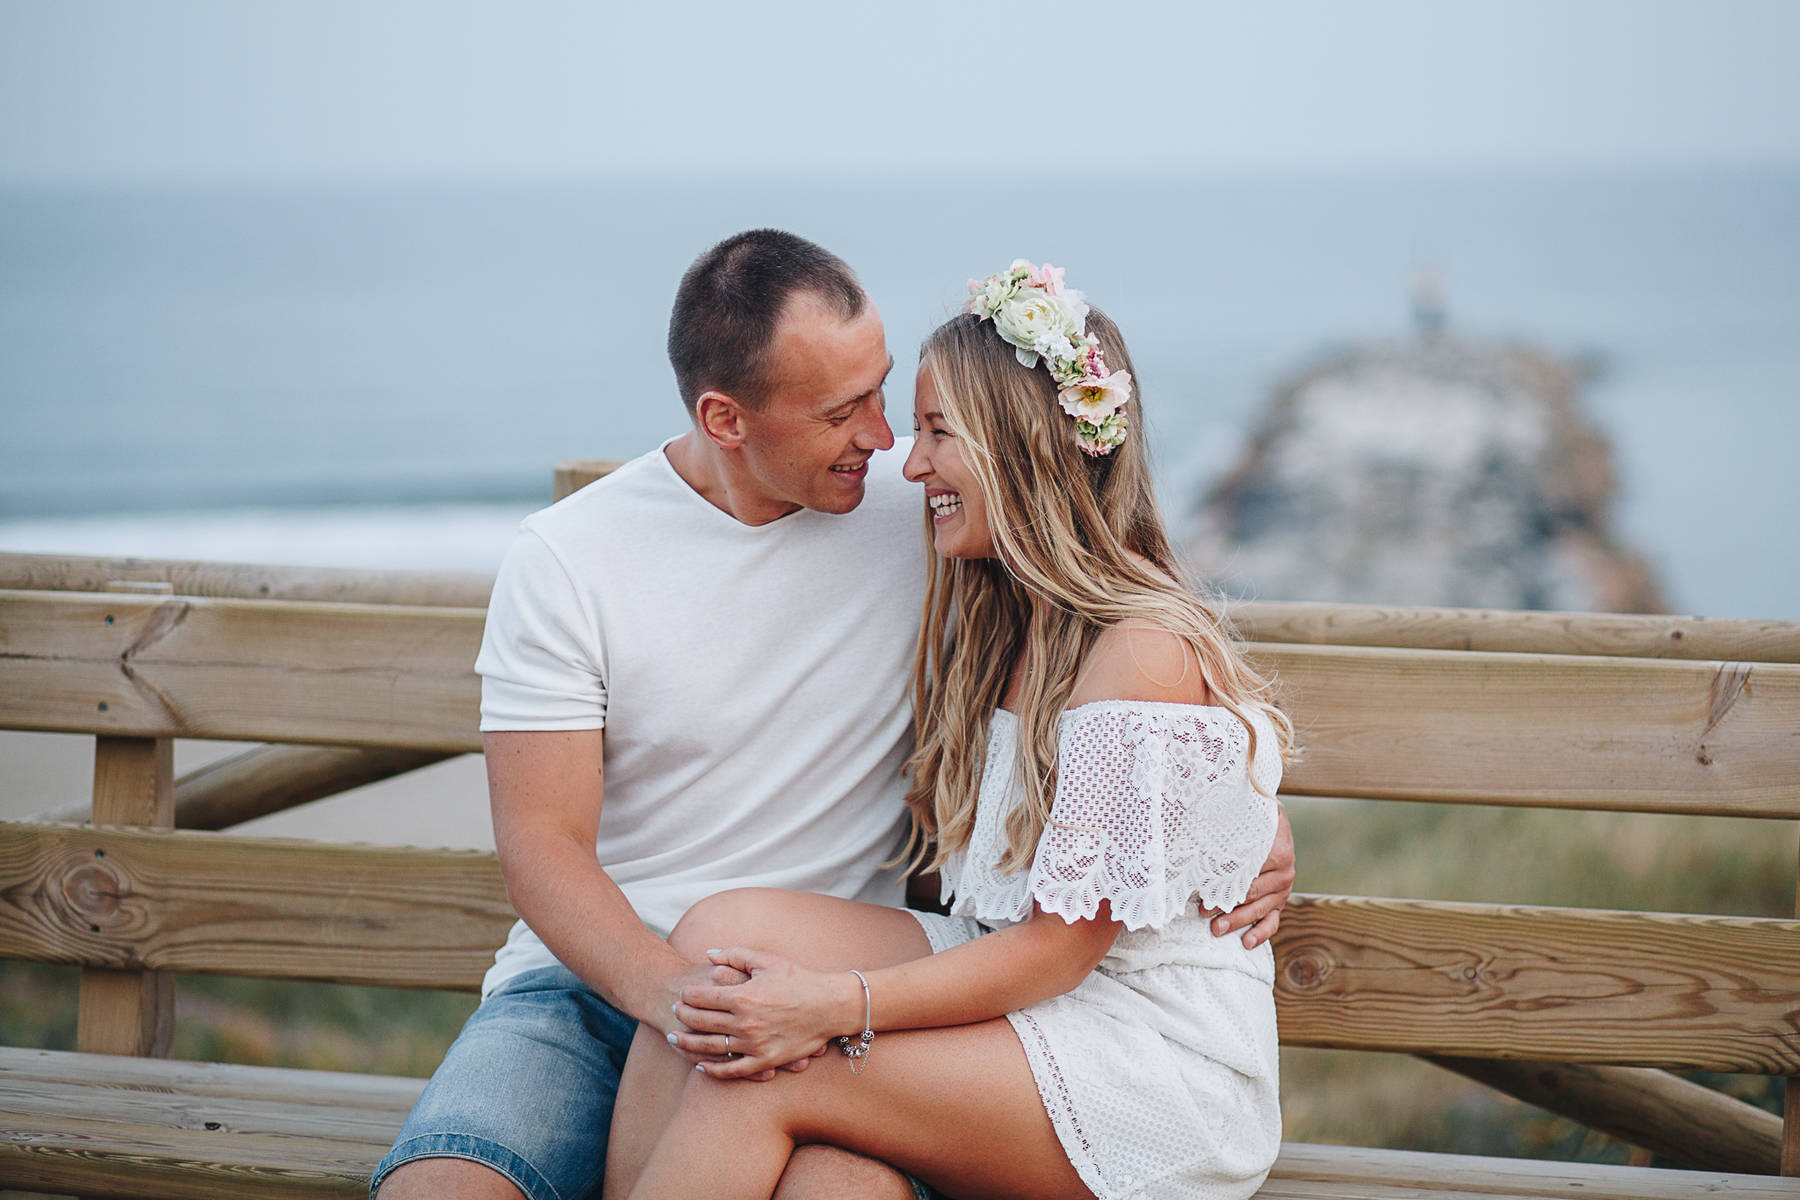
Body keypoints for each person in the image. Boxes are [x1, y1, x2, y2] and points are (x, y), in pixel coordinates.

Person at [372, 235, 1295, 1200]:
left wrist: (1242, 821)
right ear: (725, 419)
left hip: (1058, 1021)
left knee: (762, 1072)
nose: (890, 446)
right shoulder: (573, 557)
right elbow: (540, 846)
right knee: (671, 1039)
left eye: (894, 401)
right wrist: (681, 994)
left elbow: (1153, 724)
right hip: (621, 977)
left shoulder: (930, 520)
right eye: (842, 411)